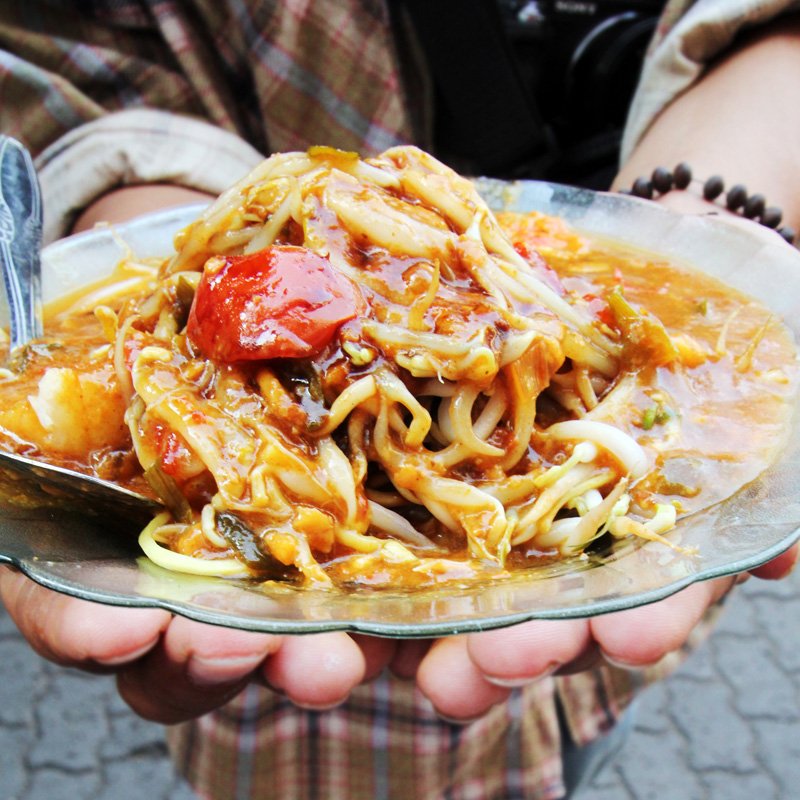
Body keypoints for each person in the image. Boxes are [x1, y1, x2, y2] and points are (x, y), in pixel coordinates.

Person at [1, 1, 799, 797]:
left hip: (586, 570)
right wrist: (145, 204)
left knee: (589, 732)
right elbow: (74, 60)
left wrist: (711, 214)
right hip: (282, 720)